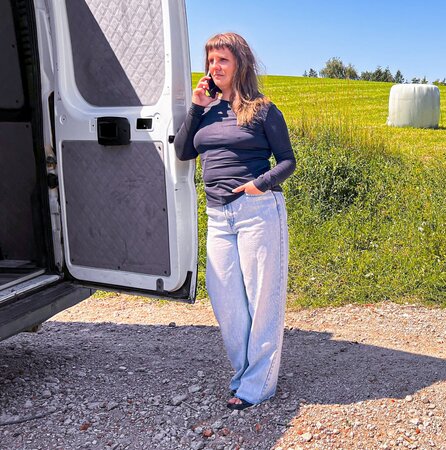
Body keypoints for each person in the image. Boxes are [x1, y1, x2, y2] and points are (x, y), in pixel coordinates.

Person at [174, 32, 296, 410]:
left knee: (263, 300)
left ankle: (257, 386)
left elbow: (288, 161)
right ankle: (244, 373)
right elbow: (181, 152)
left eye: (222, 60)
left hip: (257, 212)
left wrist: (259, 186)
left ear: (239, 64)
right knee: (227, 300)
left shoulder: (263, 109)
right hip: (217, 216)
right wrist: (196, 107)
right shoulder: (206, 113)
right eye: (211, 61)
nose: (215, 67)